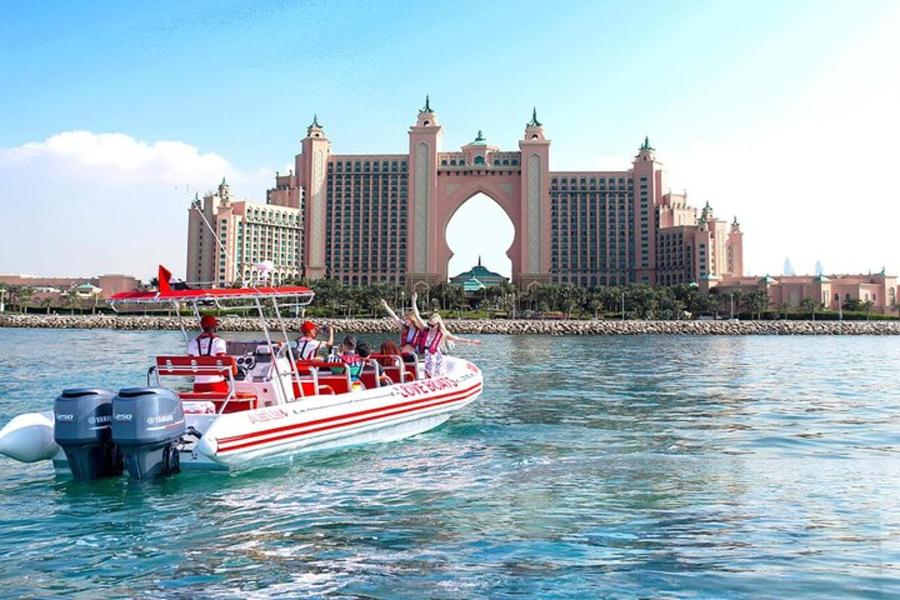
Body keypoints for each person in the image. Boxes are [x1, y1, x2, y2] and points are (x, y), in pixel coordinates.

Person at [421, 312, 481, 378]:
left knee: (435, 374)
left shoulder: (443, 334)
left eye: (432, 326)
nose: (430, 327)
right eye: (428, 324)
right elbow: (417, 318)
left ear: (438, 325)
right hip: (427, 357)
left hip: (436, 358)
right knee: (427, 373)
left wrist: (471, 341)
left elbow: (456, 339)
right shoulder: (426, 330)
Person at [187, 314, 229, 393]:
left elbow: (190, 363)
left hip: (198, 385)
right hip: (216, 384)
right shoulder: (218, 341)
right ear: (213, 326)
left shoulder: (193, 342)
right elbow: (222, 362)